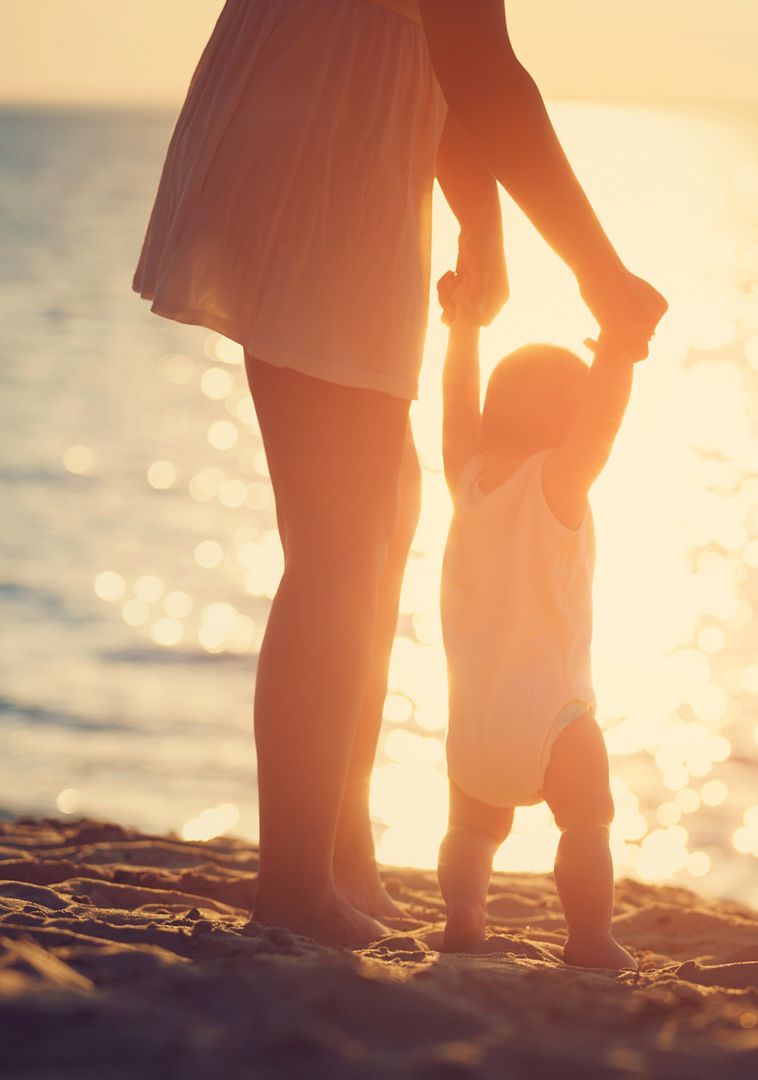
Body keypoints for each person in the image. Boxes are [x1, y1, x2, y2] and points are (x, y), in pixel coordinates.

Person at [133, 0, 665, 947]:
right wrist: (598, 273)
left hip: (345, 141)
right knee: (339, 546)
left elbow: (439, 52)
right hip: (320, 148)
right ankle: (295, 888)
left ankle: (341, 860)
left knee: (380, 526)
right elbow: (477, 62)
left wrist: (480, 218)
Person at [436, 269, 662, 970]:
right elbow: (604, 427)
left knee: (472, 831)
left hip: (474, 717)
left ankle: (465, 914)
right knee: (586, 822)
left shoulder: (465, 479)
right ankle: (590, 938)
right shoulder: (558, 484)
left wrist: (464, 331)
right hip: (550, 714)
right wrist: (617, 356)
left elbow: (454, 404)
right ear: (567, 421)